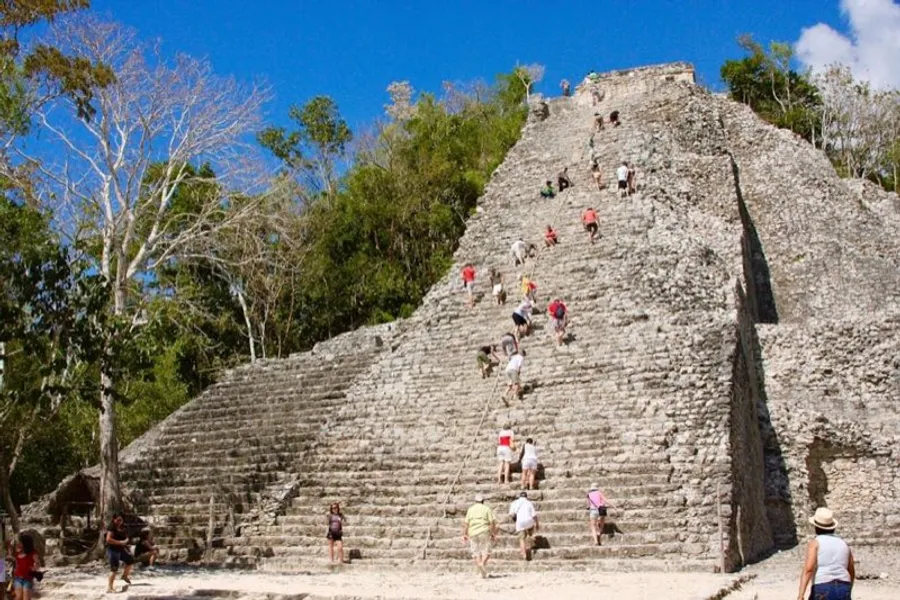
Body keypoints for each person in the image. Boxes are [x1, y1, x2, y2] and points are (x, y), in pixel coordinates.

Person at [797, 508, 854, 600]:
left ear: (816, 527)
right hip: (843, 585)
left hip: (823, 586)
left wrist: (800, 595)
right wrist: (848, 589)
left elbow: (809, 569)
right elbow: (851, 570)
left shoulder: (815, 543)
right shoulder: (844, 544)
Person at [463, 494, 497, 578]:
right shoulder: (487, 509)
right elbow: (492, 522)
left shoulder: (470, 509)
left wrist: (465, 534)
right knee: (487, 551)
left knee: (476, 552)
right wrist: (493, 533)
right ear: (483, 501)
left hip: (473, 532)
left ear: (475, 501)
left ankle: (480, 569)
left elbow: (466, 523)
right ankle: (482, 564)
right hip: (484, 531)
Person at [106, 513, 133, 593]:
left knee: (130, 560)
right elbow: (108, 539)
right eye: (118, 520)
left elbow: (127, 538)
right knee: (114, 569)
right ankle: (109, 587)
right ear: (114, 519)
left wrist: (126, 542)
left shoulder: (123, 527)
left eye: (121, 520)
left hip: (121, 549)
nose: (119, 522)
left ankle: (124, 576)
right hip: (113, 550)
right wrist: (120, 542)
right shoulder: (111, 528)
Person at [508, 491, 538, 560]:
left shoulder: (514, 502)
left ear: (519, 496)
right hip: (529, 521)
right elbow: (534, 515)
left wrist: (514, 519)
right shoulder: (529, 503)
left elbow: (511, 514)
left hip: (519, 522)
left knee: (521, 539)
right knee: (531, 528)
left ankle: (524, 554)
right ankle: (530, 536)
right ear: (526, 497)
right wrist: (537, 523)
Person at [11, 534, 39, 600]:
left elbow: (37, 563)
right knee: (18, 597)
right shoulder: (17, 552)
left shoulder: (33, 553)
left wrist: (35, 566)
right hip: (18, 578)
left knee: (26, 598)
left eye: (20, 542)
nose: (18, 543)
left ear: (25, 543)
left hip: (28, 579)